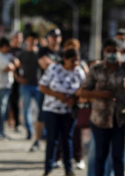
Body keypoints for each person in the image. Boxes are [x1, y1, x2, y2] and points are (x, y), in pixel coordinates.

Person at [78, 38, 125, 176]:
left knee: (119, 158)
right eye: (108, 51)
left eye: (115, 51)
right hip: (100, 120)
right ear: (103, 53)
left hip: (121, 119)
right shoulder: (96, 69)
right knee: (100, 156)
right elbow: (82, 91)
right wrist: (101, 94)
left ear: (120, 52)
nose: (112, 54)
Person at [39, 48, 86, 176]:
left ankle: (68, 169)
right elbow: (42, 86)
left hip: (69, 111)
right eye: (72, 60)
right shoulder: (53, 69)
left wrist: (74, 98)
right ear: (64, 59)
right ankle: (48, 168)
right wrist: (58, 95)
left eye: (77, 60)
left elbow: (83, 90)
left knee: (67, 139)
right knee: (52, 139)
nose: (75, 63)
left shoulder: (79, 72)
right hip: (51, 109)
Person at [30, 28, 63, 152]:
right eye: (53, 36)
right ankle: (37, 140)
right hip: (45, 88)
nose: (55, 39)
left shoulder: (62, 51)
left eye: (57, 36)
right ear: (48, 38)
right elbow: (44, 64)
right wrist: (59, 64)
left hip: (60, 89)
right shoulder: (43, 51)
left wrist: (53, 63)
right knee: (41, 115)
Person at [15, 32, 41, 140]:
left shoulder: (40, 54)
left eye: (33, 40)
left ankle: (40, 133)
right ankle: (30, 131)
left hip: (39, 86)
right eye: (29, 40)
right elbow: (15, 67)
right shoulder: (23, 54)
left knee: (41, 110)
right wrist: (18, 78)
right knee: (26, 110)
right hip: (26, 85)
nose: (31, 42)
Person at [8, 31, 24, 132]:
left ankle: (17, 122)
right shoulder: (9, 50)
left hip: (21, 80)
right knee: (11, 101)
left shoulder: (23, 50)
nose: (18, 39)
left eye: (19, 37)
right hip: (11, 79)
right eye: (16, 37)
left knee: (17, 102)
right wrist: (16, 76)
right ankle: (11, 120)